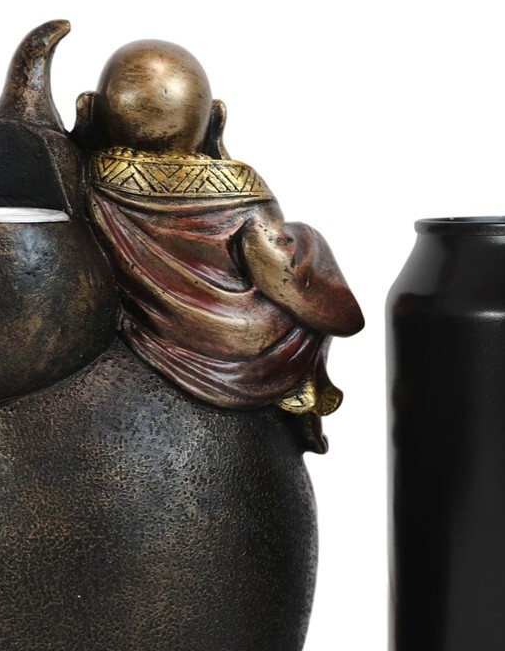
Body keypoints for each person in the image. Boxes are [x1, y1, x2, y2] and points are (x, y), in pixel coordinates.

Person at [73, 40, 363, 451]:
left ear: (89, 110)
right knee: (304, 242)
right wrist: (309, 244)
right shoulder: (237, 183)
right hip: (242, 336)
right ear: (215, 118)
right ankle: (296, 390)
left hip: (147, 322)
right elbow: (278, 267)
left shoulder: (87, 177)